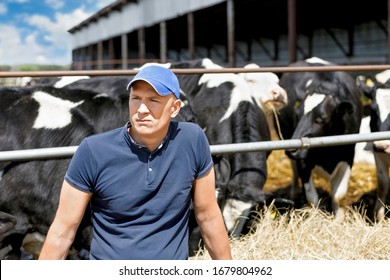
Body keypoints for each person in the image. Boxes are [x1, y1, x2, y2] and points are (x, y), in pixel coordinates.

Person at [39, 65, 232, 260]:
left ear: (174, 109)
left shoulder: (192, 140)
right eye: (136, 98)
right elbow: (62, 231)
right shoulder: (93, 151)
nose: (141, 110)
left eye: (153, 100)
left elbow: (208, 216)